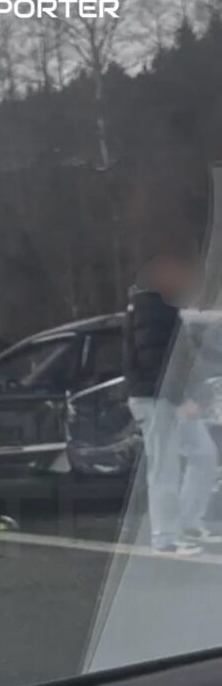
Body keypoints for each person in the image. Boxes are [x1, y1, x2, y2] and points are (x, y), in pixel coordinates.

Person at [124, 237, 220, 556]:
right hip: (154, 398)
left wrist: (196, 391)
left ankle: (188, 522)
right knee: (164, 466)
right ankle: (164, 536)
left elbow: (183, 357)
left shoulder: (164, 307)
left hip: (168, 396)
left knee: (203, 454)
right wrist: (184, 398)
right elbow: (158, 361)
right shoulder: (150, 308)